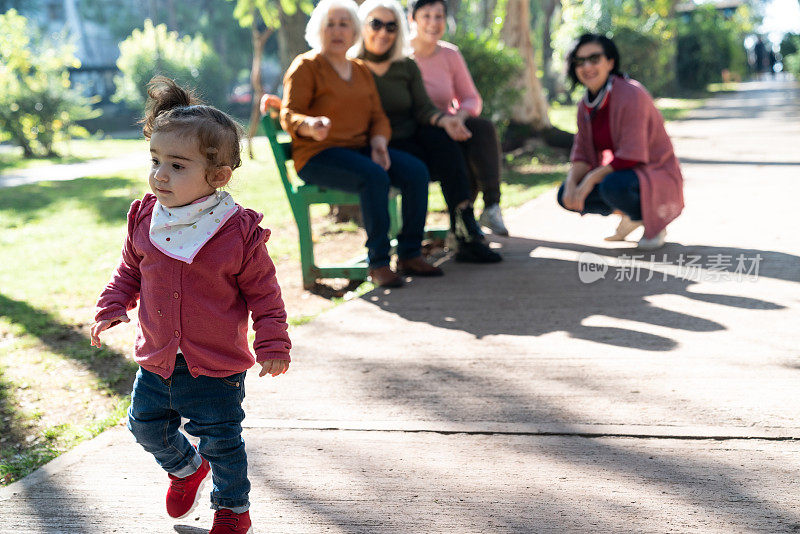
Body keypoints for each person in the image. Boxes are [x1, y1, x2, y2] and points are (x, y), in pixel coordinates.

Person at [90, 76, 291, 534]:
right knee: (144, 426)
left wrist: (274, 342)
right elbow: (130, 271)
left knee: (221, 441)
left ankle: (232, 509)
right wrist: (112, 305)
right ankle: (184, 468)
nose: (160, 174)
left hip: (216, 365)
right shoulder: (146, 218)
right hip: (158, 358)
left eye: (177, 166)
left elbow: (265, 294)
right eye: (156, 160)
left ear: (217, 176)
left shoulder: (237, 233)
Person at [281, 0, 442, 288]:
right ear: (319, 29)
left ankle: (409, 254)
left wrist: (380, 143)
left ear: (355, 30)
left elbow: (378, 116)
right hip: (319, 154)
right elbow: (289, 113)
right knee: (374, 176)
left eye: (344, 24)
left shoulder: (360, 70)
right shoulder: (306, 66)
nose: (337, 30)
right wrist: (311, 125)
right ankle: (378, 263)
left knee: (416, 171)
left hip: (360, 149)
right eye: (330, 23)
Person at [356, 0, 501, 263]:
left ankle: (473, 216)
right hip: (385, 141)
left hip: (426, 131)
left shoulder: (407, 64)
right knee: (439, 151)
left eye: (390, 26)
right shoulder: (356, 65)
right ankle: (461, 227)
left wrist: (450, 119)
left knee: (470, 133)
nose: (383, 33)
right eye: (376, 24)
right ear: (412, 19)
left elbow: (428, 106)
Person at [557, 33, 684, 249]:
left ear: (610, 62)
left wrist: (589, 181)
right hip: (625, 175)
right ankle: (633, 216)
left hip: (656, 175)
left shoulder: (631, 93)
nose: (587, 66)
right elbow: (582, 154)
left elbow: (631, 155)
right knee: (564, 195)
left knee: (612, 186)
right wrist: (572, 184)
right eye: (580, 61)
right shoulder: (585, 105)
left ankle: (652, 219)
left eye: (594, 58)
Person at [408, 0, 508, 236]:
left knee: (480, 129)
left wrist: (459, 118)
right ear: (412, 19)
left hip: (449, 124)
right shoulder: (402, 56)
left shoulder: (449, 54)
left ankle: (490, 207)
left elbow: (471, 98)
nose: (434, 23)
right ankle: (462, 223)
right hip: (416, 130)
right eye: (427, 16)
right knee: (453, 145)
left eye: (439, 16)